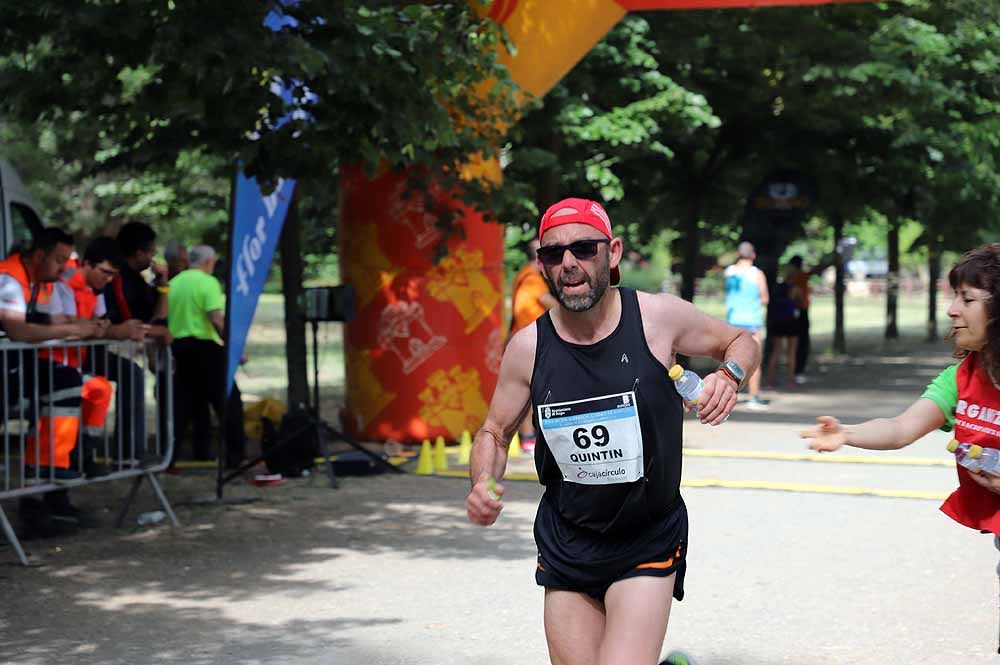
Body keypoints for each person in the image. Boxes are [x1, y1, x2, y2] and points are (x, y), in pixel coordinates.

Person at [465, 197, 760, 665]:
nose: (569, 263)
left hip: (646, 536)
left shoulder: (657, 319)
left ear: (613, 252)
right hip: (568, 540)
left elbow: (741, 340)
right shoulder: (528, 348)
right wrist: (482, 481)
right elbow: (493, 433)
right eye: (553, 253)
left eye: (584, 248)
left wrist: (729, 375)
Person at [800, 243, 1000, 648]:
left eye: (967, 299)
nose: (952, 311)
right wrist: (848, 433)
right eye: (954, 297)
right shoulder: (961, 378)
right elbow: (900, 428)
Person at [0, 228, 103, 532]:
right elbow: (20, 331)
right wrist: (70, 331)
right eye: (59, 260)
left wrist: (88, 326)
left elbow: (52, 321)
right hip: (9, 363)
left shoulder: (43, 282)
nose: (63, 268)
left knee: (69, 381)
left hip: (16, 364)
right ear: (40, 256)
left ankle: (50, 468)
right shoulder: (10, 278)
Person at [47, 236, 149, 473]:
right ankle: (78, 459)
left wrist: (107, 328)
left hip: (79, 355)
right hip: (57, 360)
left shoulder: (97, 288)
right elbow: (75, 327)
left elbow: (98, 323)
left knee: (118, 379)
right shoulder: (64, 283)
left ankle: (95, 453)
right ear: (86, 264)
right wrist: (112, 330)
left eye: (113, 274)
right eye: (105, 272)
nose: (109, 279)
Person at [168, 245, 247, 469]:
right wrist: (235, 349)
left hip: (178, 348)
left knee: (183, 406)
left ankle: (171, 456)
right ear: (209, 262)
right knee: (228, 402)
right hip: (205, 347)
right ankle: (235, 456)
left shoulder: (173, 284)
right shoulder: (208, 282)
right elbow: (216, 318)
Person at [102, 221, 170, 461]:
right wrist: (155, 331)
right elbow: (130, 321)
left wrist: (163, 286)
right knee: (131, 377)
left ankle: (134, 448)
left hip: (130, 343)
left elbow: (160, 317)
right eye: (151, 251)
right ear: (140, 252)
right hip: (110, 342)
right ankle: (128, 449)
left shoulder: (139, 280)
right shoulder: (119, 279)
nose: (153, 257)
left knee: (135, 378)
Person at [508, 236, 556, 453]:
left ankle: (529, 436)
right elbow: (548, 303)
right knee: (530, 391)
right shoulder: (532, 279)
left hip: (527, 342)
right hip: (531, 344)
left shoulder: (523, 276)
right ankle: (528, 437)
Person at [724, 241, 769, 411]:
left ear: (738, 254)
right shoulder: (757, 274)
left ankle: (726, 395)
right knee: (755, 358)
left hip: (732, 320)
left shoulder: (729, 272)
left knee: (730, 359)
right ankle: (754, 396)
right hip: (752, 321)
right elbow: (765, 298)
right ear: (753, 255)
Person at [764, 262, 802, 389]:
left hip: (777, 321)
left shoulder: (776, 287)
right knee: (791, 352)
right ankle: (790, 380)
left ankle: (769, 381)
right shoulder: (795, 288)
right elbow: (799, 303)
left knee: (776, 351)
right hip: (791, 321)